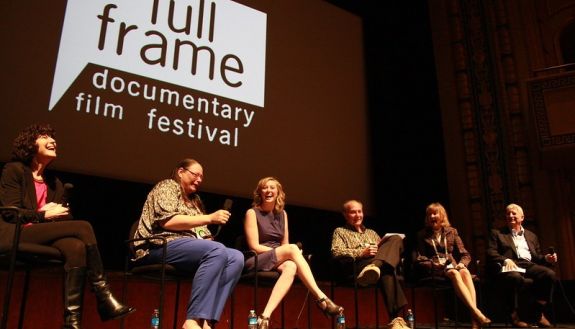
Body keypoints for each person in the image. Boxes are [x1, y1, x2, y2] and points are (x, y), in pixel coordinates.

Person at [0, 123, 135, 329]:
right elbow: (10, 213)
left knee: (76, 247)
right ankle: (103, 294)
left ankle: (72, 323)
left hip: (41, 234)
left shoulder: (54, 182)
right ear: (30, 143)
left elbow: (66, 216)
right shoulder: (14, 170)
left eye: (53, 137)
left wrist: (54, 214)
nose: (53, 141)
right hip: (16, 232)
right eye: (45, 136)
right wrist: (43, 214)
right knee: (83, 227)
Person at [133, 158, 243, 329]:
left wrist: (208, 239)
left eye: (201, 177)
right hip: (158, 245)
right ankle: (192, 320)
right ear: (181, 172)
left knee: (236, 257)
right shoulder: (167, 186)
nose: (199, 180)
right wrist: (210, 218)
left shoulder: (194, 200)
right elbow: (167, 222)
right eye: (195, 174)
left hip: (186, 247)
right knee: (217, 251)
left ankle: (207, 322)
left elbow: (202, 231)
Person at [244, 177, 343, 329]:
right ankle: (321, 298)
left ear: (278, 193)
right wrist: (286, 251)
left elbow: (284, 244)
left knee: (291, 267)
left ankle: (265, 317)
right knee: (292, 249)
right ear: (259, 192)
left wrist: (287, 252)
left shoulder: (282, 214)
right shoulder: (252, 212)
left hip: (278, 257)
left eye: (272, 188)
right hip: (257, 258)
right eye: (265, 188)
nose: (268, 191)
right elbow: (254, 246)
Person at [414, 202, 490, 329]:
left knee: (464, 272)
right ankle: (477, 313)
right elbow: (419, 258)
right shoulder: (422, 235)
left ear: (442, 216)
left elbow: (465, 254)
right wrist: (433, 264)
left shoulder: (452, 232)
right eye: (429, 215)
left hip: (452, 266)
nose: (432, 217)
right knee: (454, 273)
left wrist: (461, 264)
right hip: (435, 269)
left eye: (435, 214)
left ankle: (475, 321)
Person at [331, 199, 407, 321]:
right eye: (353, 212)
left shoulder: (371, 232)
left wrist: (378, 255)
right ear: (345, 214)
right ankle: (396, 319)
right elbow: (336, 252)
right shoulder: (340, 231)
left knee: (396, 239)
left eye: (359, 211)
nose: (357, 215)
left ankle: (375, 266)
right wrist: (361, 253)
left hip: (375, 266)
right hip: (357, 267)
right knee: (386, 268)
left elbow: (385, 250)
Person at [486, 203, 557, 328]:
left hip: (528, 265)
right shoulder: (497, 233)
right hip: (510, 266)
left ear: (522, 217)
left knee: (549, 274)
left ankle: (538, 313)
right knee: (515, 277)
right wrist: (505, 260)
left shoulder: (531, 236)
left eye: (514, 213)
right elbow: (491, 252)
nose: (510, 215)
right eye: (508, 213)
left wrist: (546, 258)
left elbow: (537, 257)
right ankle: (514, 316)